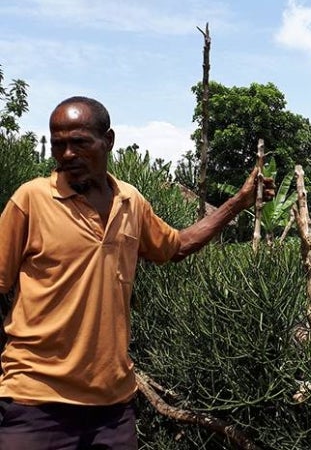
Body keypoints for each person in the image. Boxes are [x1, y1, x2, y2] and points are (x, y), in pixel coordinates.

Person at [0, 96, 274, 448]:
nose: (68, 154)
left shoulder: (131, 202)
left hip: (111, 409)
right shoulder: (30, 200)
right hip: (35, 403)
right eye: (59, 144)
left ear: (108, 141)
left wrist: (239, 201)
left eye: (80, 143)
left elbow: (176, 246)